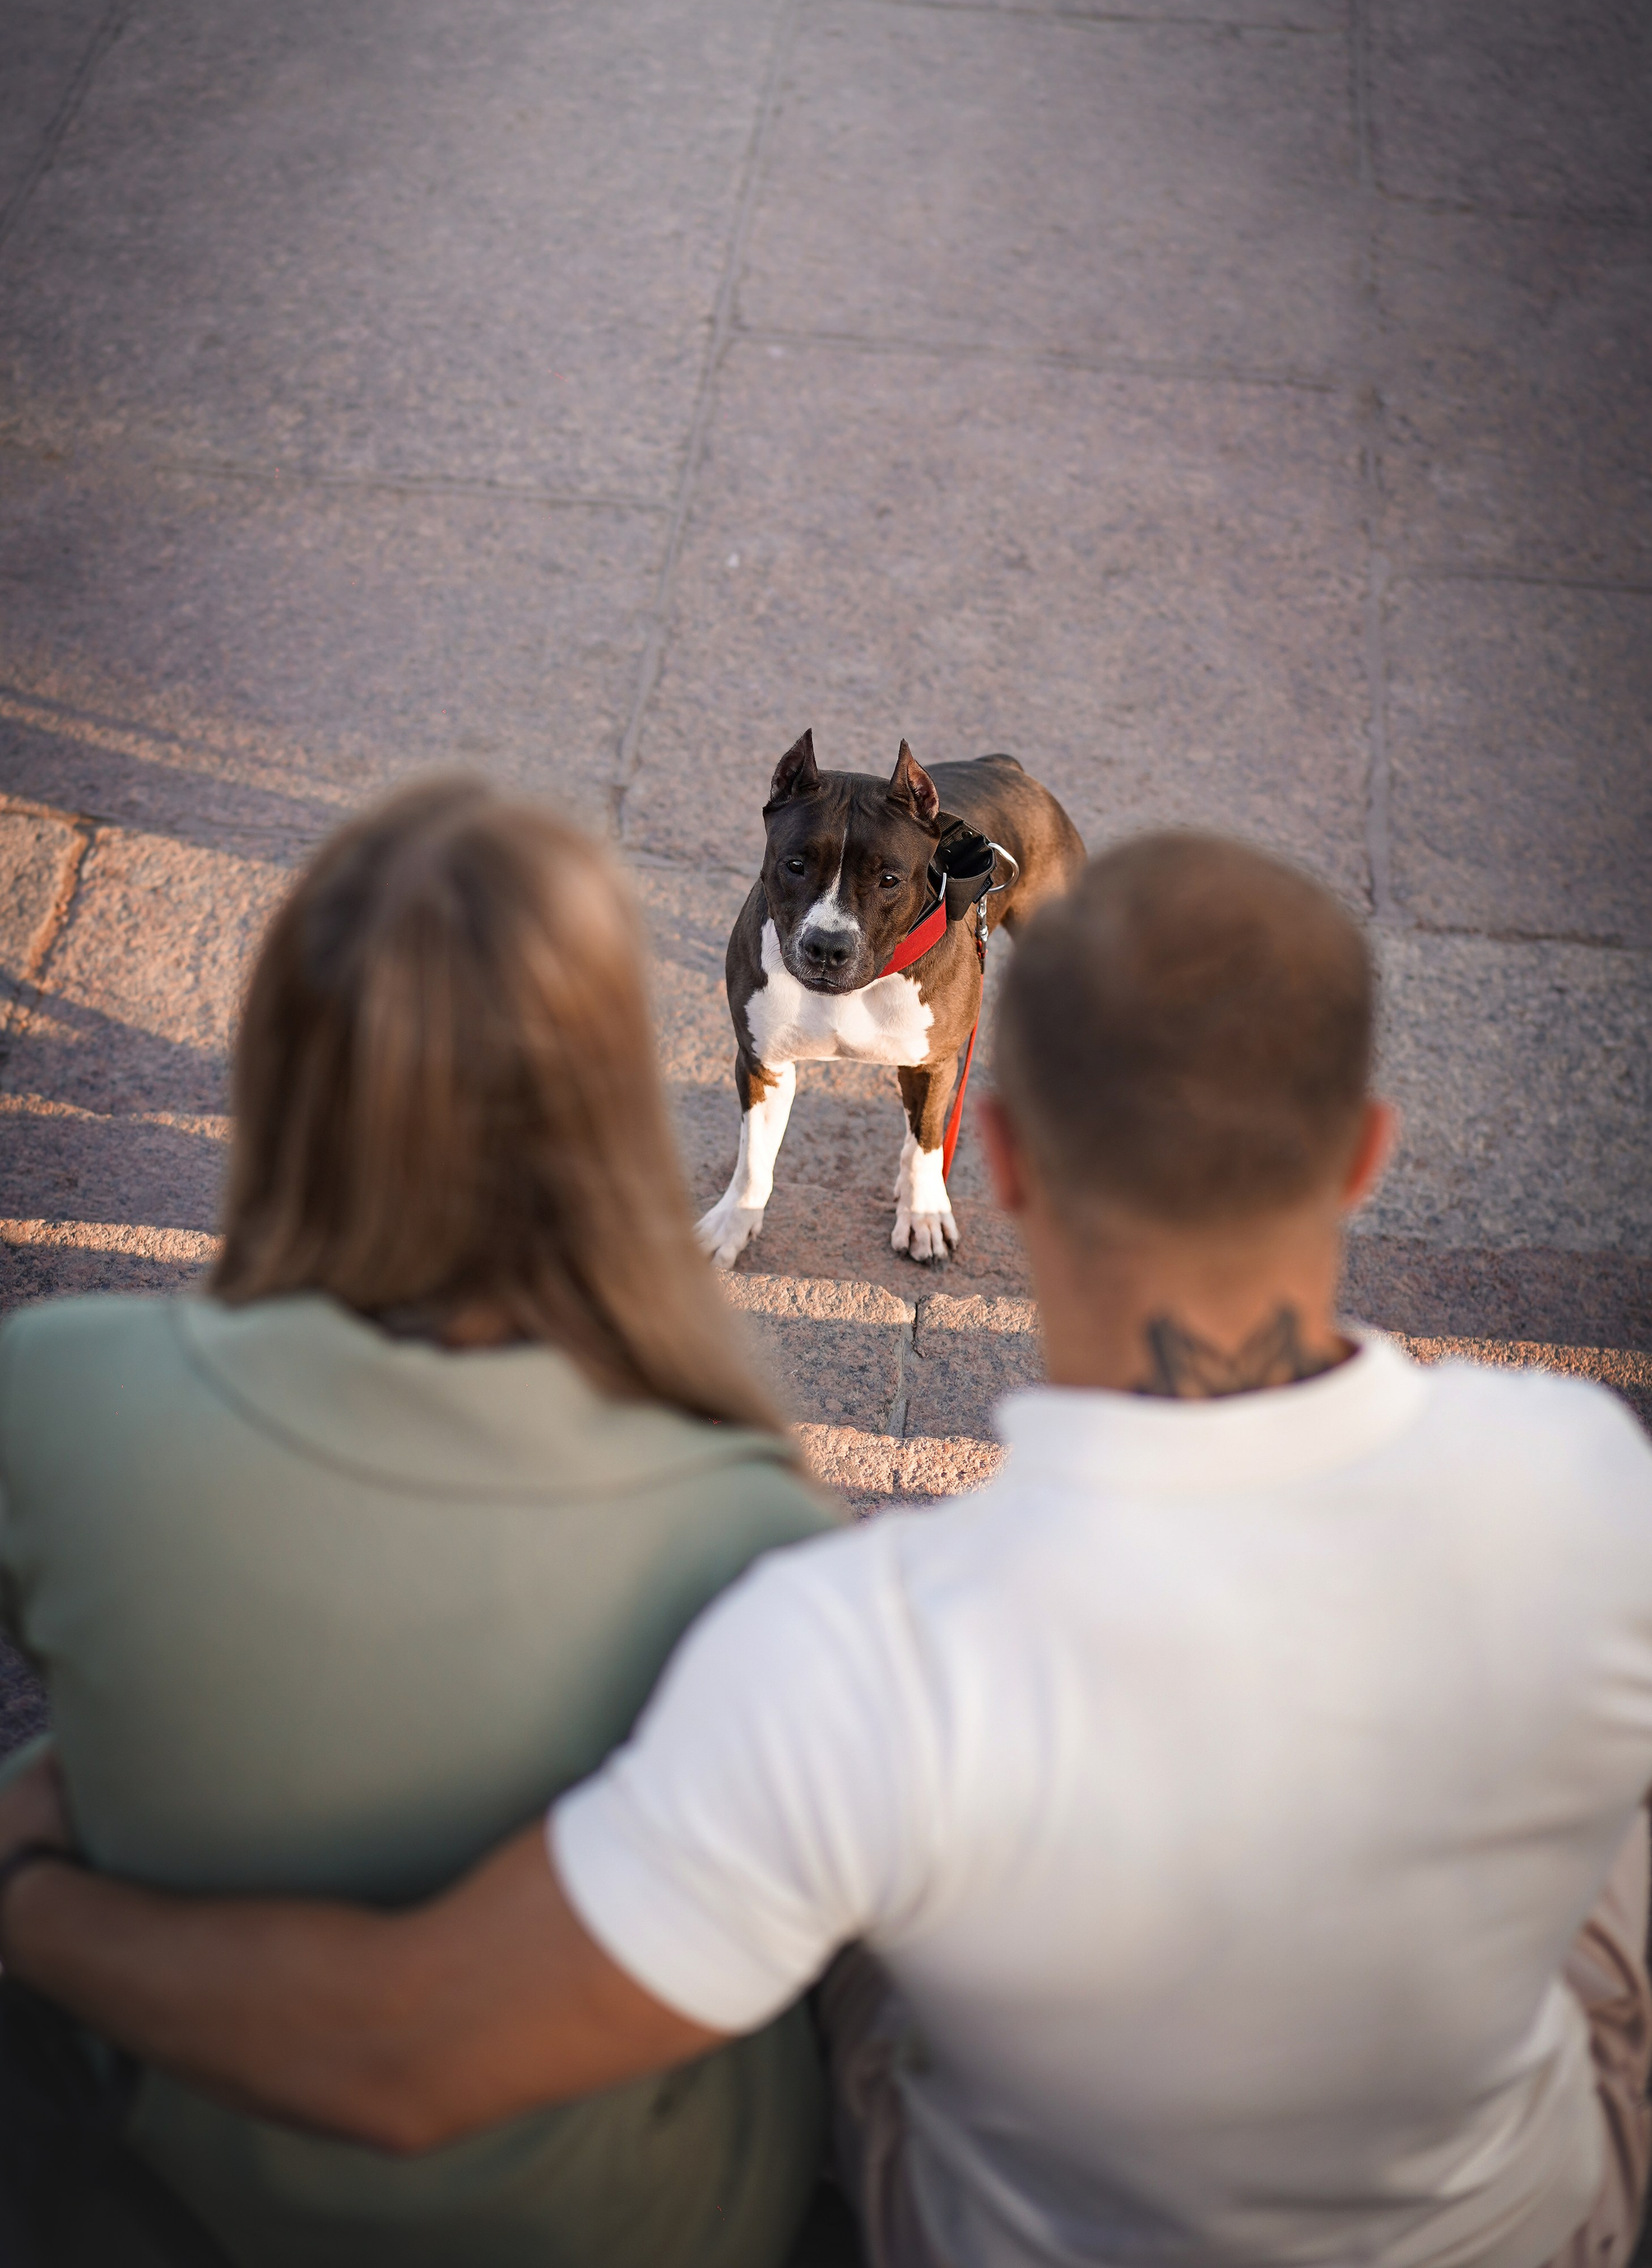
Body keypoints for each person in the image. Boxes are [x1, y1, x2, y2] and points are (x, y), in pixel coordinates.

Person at [5, 830, 1652, 2268]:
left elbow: (406, 2056)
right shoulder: (1594, 1478)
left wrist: (34, 1893)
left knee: (853, 1910)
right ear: (1363, 1154)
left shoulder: (862, 1638)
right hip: (1533, 2223)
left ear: (992, 1161)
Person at [0, 781, 836, 2267]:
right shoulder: (746, 1519)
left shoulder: (51, 1388)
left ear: (278, 1065)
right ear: (604, 1105)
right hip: (635, 2220)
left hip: (180, 2159)